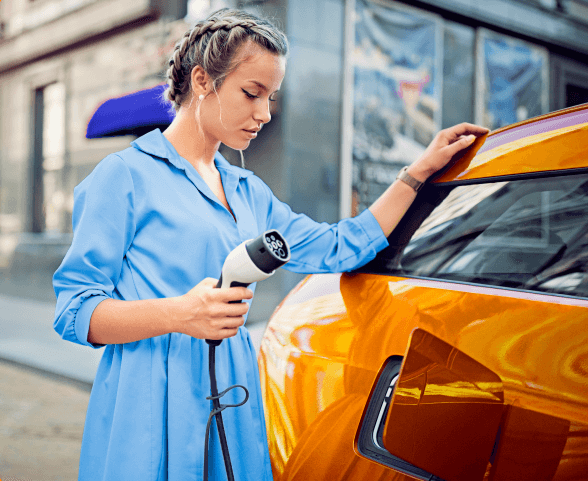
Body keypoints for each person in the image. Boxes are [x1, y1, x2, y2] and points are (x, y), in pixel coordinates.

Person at [53, 7, 488, 481]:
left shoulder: (248, 191)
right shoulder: (123, 176)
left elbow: (341, 247)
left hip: (233, 395)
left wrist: (417, 174)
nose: (263, 114)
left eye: (271, 98)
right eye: (251, 93)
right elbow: (74, 311)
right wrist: (180, 313)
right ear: (202, 81)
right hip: (150, 399)